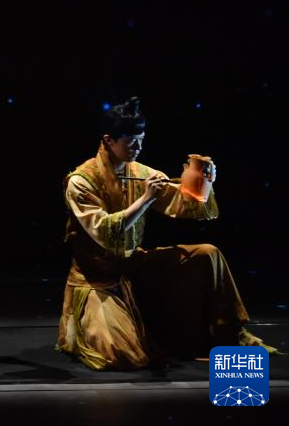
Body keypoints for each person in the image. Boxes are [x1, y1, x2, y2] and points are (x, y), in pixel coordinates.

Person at [56, 96, 277, 370]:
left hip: (133, 266)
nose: (138, 147)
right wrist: (146, 198)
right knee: (120, 354)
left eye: (141, 140)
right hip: (98, 279)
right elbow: (104, 231)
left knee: (206, 254)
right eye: (130, 141)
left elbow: (186, 203)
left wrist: (204, 182)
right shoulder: (81, 181)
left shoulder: (141, 172)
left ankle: (225, 332)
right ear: (109, 141)